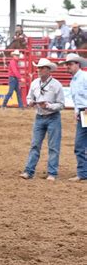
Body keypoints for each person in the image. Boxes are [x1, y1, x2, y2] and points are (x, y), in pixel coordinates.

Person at [20, 58, 65, 181]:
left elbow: (61, 104)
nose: (39, 70)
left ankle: (52, 173)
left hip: (53, 117)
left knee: (53, 146)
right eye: (39, 68)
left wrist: (49, 106)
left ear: (48, 70)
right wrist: (30, 102)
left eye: (42, 68)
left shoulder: (57, 85)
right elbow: (29, 97)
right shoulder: (35, 83)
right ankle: (29, 171)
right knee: (35, 145)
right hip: (39, 116)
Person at [59, 53, 87, 181]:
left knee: (80, 144)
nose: (67, 67)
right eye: (67, 65)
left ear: (77, 64)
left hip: (85, 112)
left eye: (70, 64)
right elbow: (77, 100)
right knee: (80, 145)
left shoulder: (84, 77)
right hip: (83, 113)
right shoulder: (74, 81)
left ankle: (82, 173)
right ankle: (82, 173)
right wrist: (76, 111)